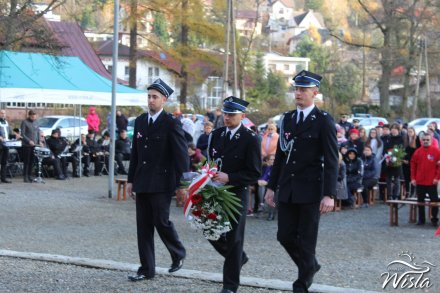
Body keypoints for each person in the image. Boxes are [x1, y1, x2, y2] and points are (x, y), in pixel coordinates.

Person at [265, 70, 338, 293]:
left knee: (307, 239)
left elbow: (332, 158)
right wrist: (271, 187)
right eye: (296, 89)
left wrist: (329, 194)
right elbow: (280, 156)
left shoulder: (323, 120)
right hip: (287, 188)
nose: (298, 93)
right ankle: (310, 266)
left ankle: (302, 283)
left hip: (310, 188)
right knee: (284, 235)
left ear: (314, 93)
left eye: (303, 90)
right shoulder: (286, 119)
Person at [127, 78, 188, 282]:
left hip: (162, 182)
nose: (150, 100)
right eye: (149, 96)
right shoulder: (141, 121)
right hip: (143, 180)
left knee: (161, 221)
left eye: (155, 97)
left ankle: (178, 252)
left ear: (164, 99)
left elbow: (181, 156)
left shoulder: (171, 123)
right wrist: (130, 180)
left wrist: (182, 184)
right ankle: (146, 269)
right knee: (143, 227)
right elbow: (135, 153)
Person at [206, 96, 261, 293]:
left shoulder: (250, 138)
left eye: (231, 114)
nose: (227, 117)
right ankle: (239, 258)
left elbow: (254, 172)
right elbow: (211, 160)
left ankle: (230, 285)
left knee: (234, 238)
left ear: (243, 116)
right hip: (215, 191)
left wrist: (230, 177)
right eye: (225, 113)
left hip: (236, 193)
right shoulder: (217, 134)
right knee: (209, 229)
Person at [411, 133, 440, 226]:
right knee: (420, 201)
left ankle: (434, 219)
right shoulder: (417, 152)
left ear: (431, 140)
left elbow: (439, 167)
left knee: (434, 201)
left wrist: (437, 178)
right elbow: (413, 166)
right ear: (421, 141)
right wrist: (413, 178)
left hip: (432, 181)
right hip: (420, 181)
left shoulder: (436, 151)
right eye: (424, 140)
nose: (426, 141)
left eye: (427, 140)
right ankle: (421, 220)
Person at [21, 110, 41, 183]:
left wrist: (40, 141)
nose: (33, 117)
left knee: (32, 161)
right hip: (26, 145)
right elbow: (22, 134)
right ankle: (25, 176)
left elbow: (38, 132)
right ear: (29, 115)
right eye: (32, 116)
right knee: (27, 161)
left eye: (35, 116)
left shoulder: (36, 122)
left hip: (34, 145)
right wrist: (29, 141)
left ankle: (29, 175)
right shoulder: (24, 122)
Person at [0, 110, 11, 183]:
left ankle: (3, 178)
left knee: (4, 162)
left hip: (6, 143)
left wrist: (15, 135)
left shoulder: (6, 122)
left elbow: (9, 132)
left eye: (4, 113)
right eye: (2, 113)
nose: (3, 114)